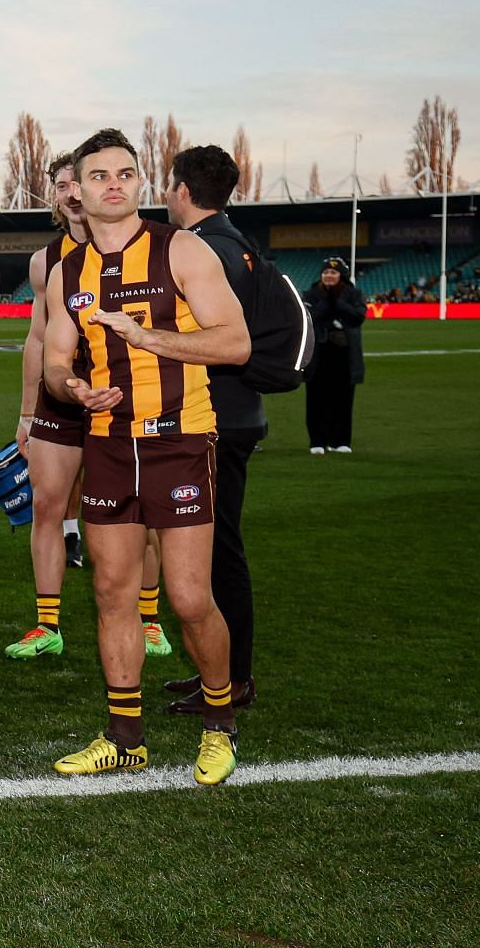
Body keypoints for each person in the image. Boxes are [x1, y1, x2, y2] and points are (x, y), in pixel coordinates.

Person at [42, 128, 249, 787]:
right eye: (98, 175)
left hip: (180, 439)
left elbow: (235, 343)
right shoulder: (67, 273)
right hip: (106, 443)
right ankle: (125, 737)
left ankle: (220, 724)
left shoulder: (181, 250)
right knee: (110, 591)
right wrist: (71, 388)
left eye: (125, 174)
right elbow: (52, 361)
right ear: (76, 189)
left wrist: (146, 337)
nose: (113, 184)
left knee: (188, 596)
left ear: (141, 184)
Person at [162, 146, 265, 716]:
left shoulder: (202, 251)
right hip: (238, 412)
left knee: (219, 554)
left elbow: (219, 339)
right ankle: (219, 673)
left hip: (217, 418)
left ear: (182, 190)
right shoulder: (239, 243)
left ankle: (233, 679)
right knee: (213, 553)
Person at [6, 155, 90, 660]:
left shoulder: (143, 250)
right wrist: (25, 412)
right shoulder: (46, 262)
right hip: (57, 398)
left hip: (117, 397)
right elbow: (37, 339)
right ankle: (47, 625)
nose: (72, 192)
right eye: (62, 185)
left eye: (79, 181)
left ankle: (148, 620)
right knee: (46, 505)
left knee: (132, 513)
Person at [303, 257, 366, 453]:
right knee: (316, 399)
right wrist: (327, 304)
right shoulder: (311, 293)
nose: (328, 275)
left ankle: (341, 441)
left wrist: (337, 303)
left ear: (342, 275)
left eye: (333, 273)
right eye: (325, 272)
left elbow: (358, 316)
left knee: (343, 399)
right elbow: (309, 317)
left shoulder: (354, 294)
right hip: (318, 355)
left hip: (344, 355)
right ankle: (317, 441)